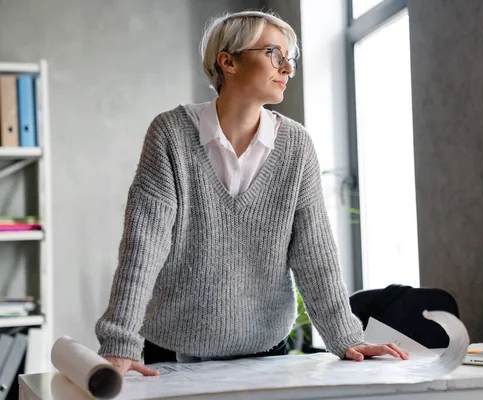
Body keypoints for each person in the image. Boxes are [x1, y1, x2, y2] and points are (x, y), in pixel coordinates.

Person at [95, 10, 409, 376]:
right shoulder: (171, 134)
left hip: (266, 353)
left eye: (289, 59)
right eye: (274, 54)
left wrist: (347, 337)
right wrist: (119, 342)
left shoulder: (296, 146)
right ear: (228, 61)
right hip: (172, 352)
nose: (287, 69)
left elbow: (314, 253)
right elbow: (143, 245)